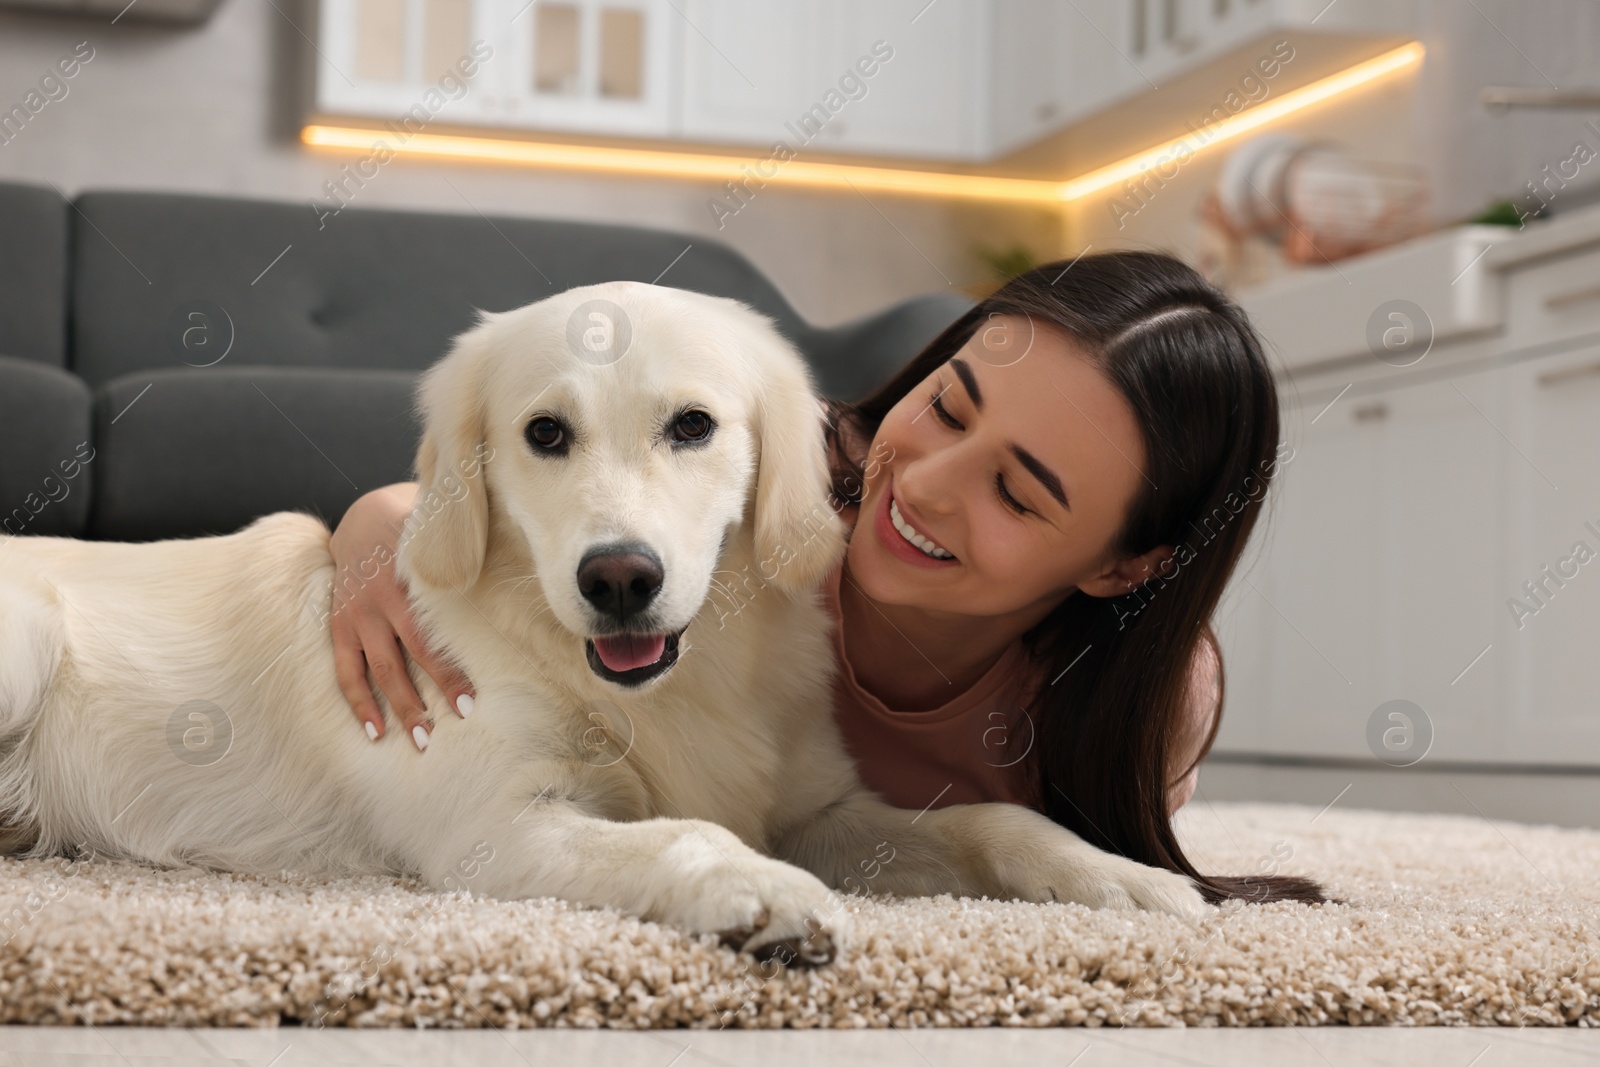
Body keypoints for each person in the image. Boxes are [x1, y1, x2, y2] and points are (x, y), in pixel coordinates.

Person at [324, 251, 1327, 905]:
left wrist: (1031, 851)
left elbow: (829, 831)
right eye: (949, 405)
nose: (924, 486)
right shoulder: (798, 476)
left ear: (1123, 564)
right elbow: (528, 498)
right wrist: (374, 528)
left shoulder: (1150, 699)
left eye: (1016, 494)